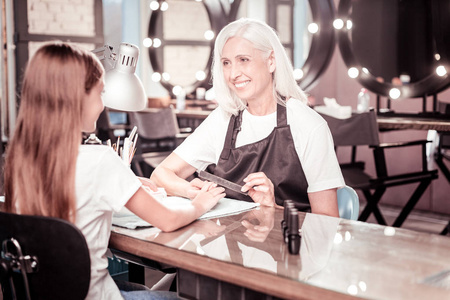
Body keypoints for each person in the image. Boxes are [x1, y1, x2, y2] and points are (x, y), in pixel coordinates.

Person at [3, 42, 225, 300]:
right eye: (100, 93)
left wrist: (128, 183)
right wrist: (200, 204)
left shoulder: (20, 158)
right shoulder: (98, 160)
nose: (102, 105)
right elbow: (168, 220)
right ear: (77, 98)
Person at [151, 18, 344, 216]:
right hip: (227, 241)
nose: (233, 73)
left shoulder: (309, 125)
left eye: (244, 60)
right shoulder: (223, 119)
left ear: (271, 61)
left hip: (287, 244)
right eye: (226, 63)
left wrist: (273, 209)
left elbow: (327, 223)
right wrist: (191, 190)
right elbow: (160, 175)